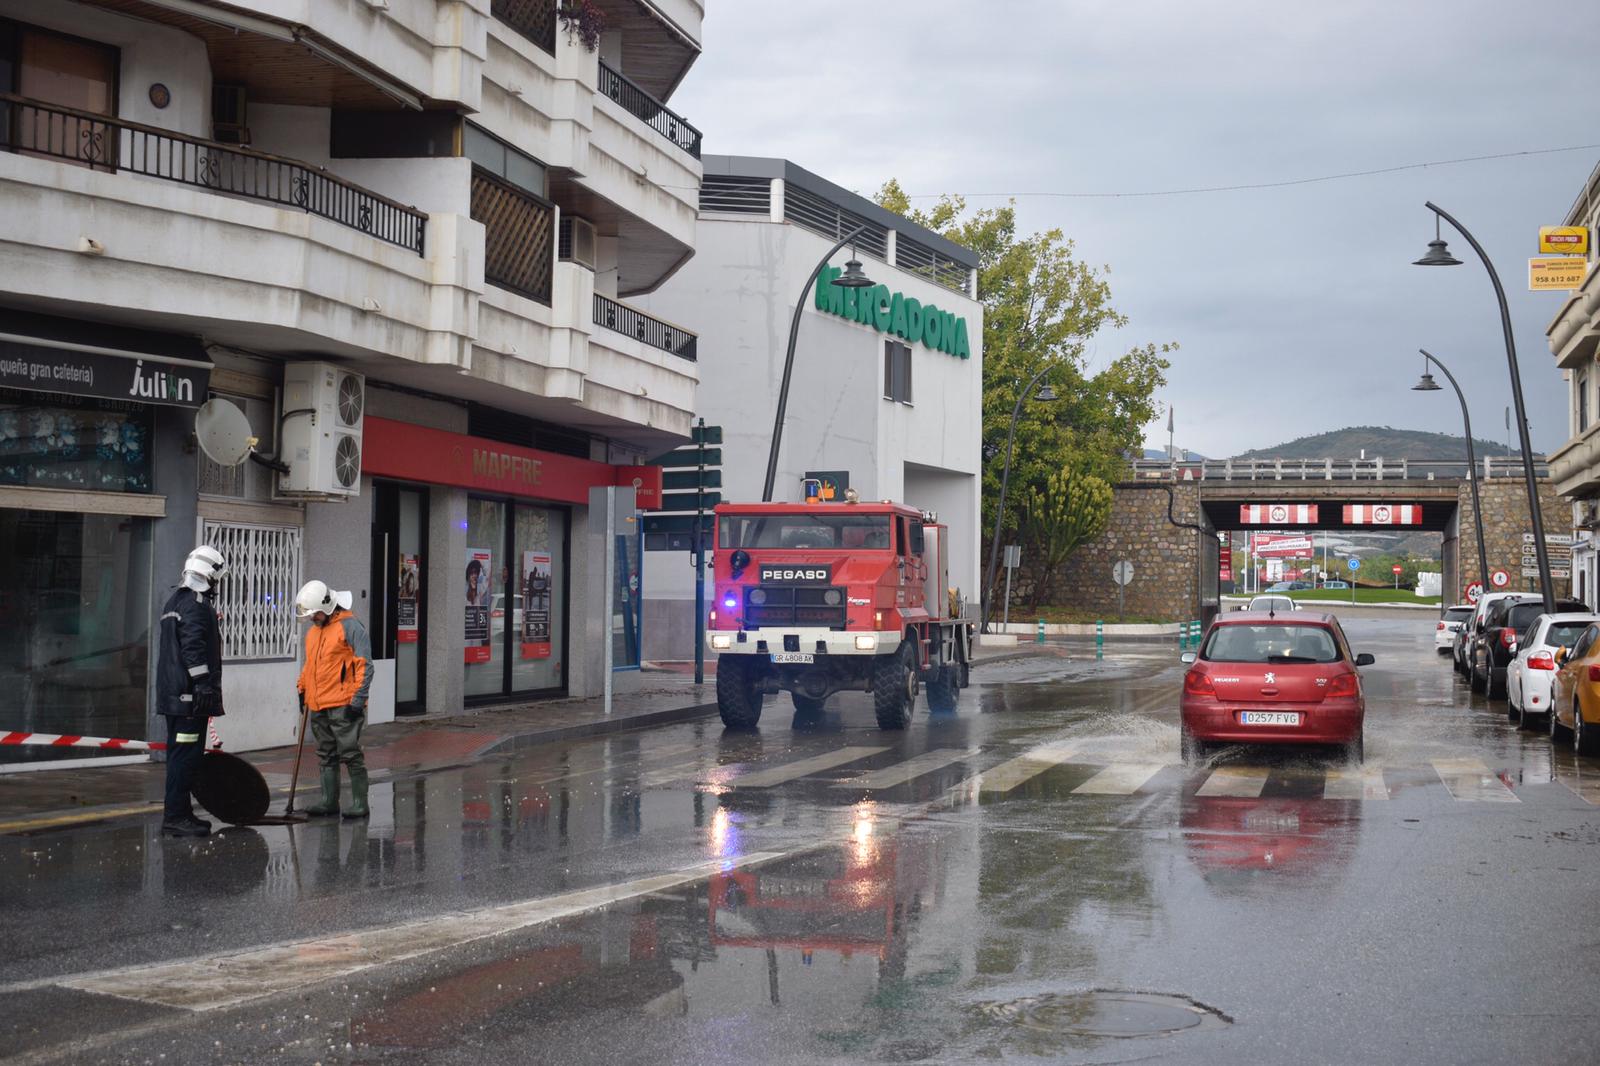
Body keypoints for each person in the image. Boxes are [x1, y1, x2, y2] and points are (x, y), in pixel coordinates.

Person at [155, 545, 226, 837]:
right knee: (184, 758)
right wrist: (203, 684)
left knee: (180, 756)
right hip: (188, 701)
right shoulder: (196, 605)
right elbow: (193, 649)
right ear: (210, 576)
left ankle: (182, 814)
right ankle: (175, 816)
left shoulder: (175, 601)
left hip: (176, 699)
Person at [294, 580, 373, 819]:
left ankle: (361, 804)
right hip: (318, 704)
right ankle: (329, 802)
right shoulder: (313, 633)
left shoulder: (351, 627)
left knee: (350, 753)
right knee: (326, 754)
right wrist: (302, 689)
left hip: (343, 704)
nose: (312, 618)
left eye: (315, 613)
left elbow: (365, 666)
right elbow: (311, 666)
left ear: (327, 607)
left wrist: (358, 700)